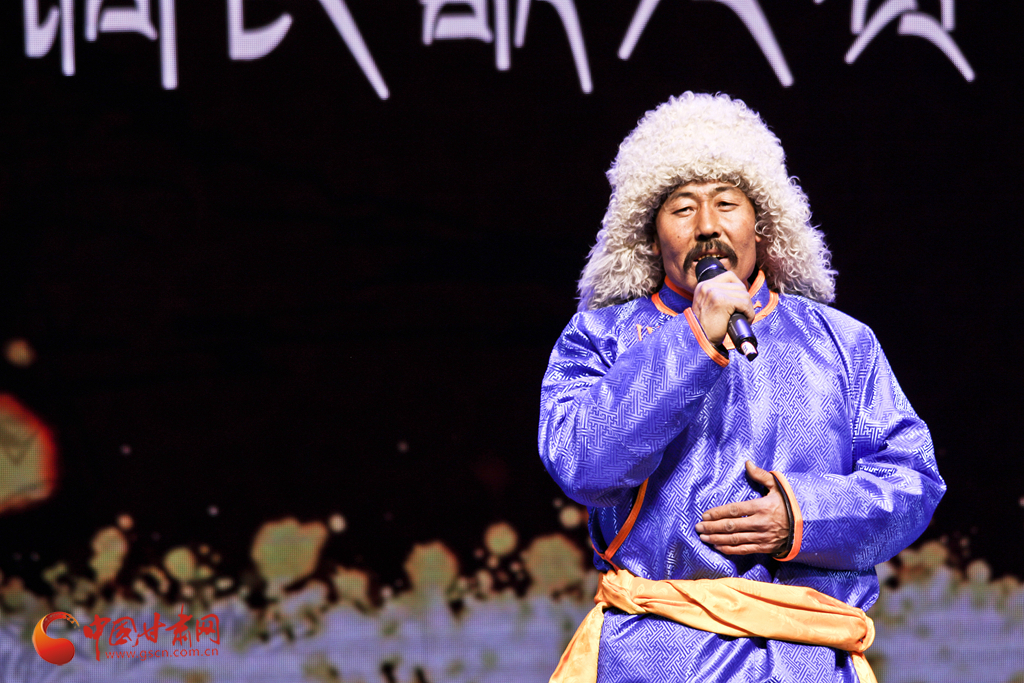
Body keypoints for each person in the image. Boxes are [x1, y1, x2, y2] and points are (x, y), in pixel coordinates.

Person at [538, 92, 945, 682]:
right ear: (649, 237)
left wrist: (803, 516)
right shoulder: (600, 337)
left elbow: (913, 482)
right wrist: (693, 339)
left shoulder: (842, 342)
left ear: (762, 224)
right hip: (657, 657)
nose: (707, 225)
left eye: (727, 203)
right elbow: (582, 465)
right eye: (682, 208)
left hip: (808, 662)